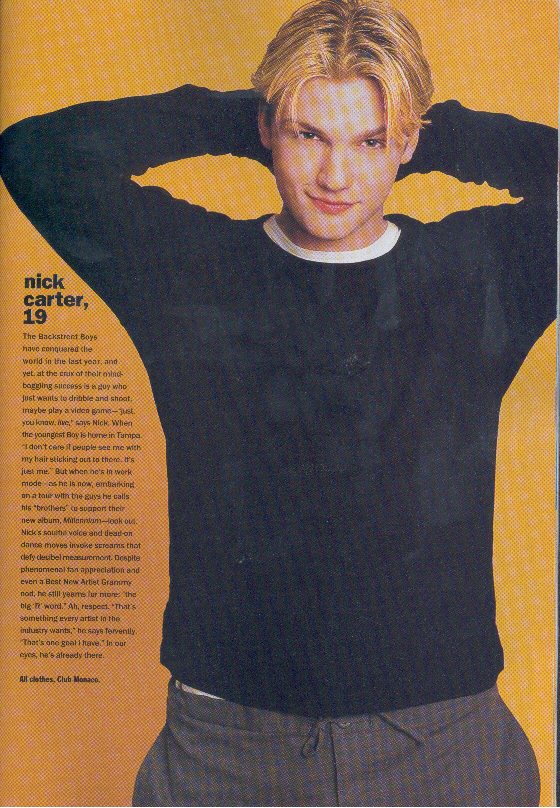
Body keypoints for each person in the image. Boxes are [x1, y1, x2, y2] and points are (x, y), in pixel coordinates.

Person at [0, 0, 555, 804]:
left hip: (440, 750)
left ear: (408, 141)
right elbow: (36, 154)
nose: (336, 177)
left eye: (370, 141)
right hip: (226, 751)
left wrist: (425, 126)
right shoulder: (188, 270)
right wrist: (251, 116)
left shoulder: (481, 272)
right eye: (308, 135)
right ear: (268, 129)